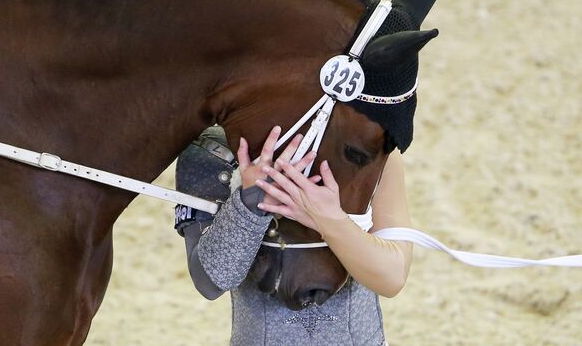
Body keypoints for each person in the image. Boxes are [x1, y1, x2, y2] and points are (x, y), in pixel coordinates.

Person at [174, 125, 412, 345]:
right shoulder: (210, 153)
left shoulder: (369, 144)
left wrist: (329, 220)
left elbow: (392, 278)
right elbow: (209, 284)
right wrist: (248, 205)